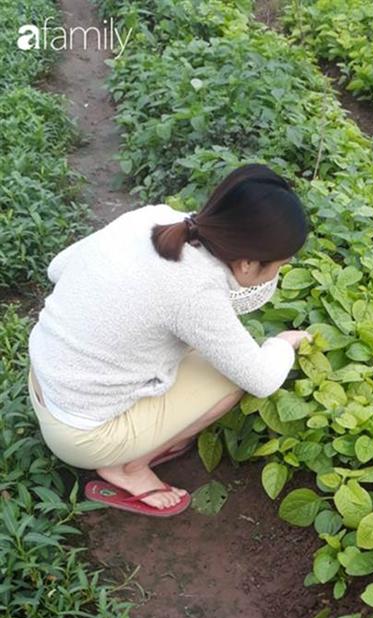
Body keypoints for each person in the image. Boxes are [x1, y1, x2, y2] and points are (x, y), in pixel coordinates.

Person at [27, 163, 312, 517]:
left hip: (45, 379)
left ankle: (138, 439)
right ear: (248, 264)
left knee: (196, 344)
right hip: (80, 433)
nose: (279, 272)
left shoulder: (157, 217)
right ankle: (127, 468)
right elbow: (263, 379)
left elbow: (57, 267)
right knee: (231, 379)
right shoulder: (196, 292)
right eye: (279, 265)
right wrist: (283, 342)